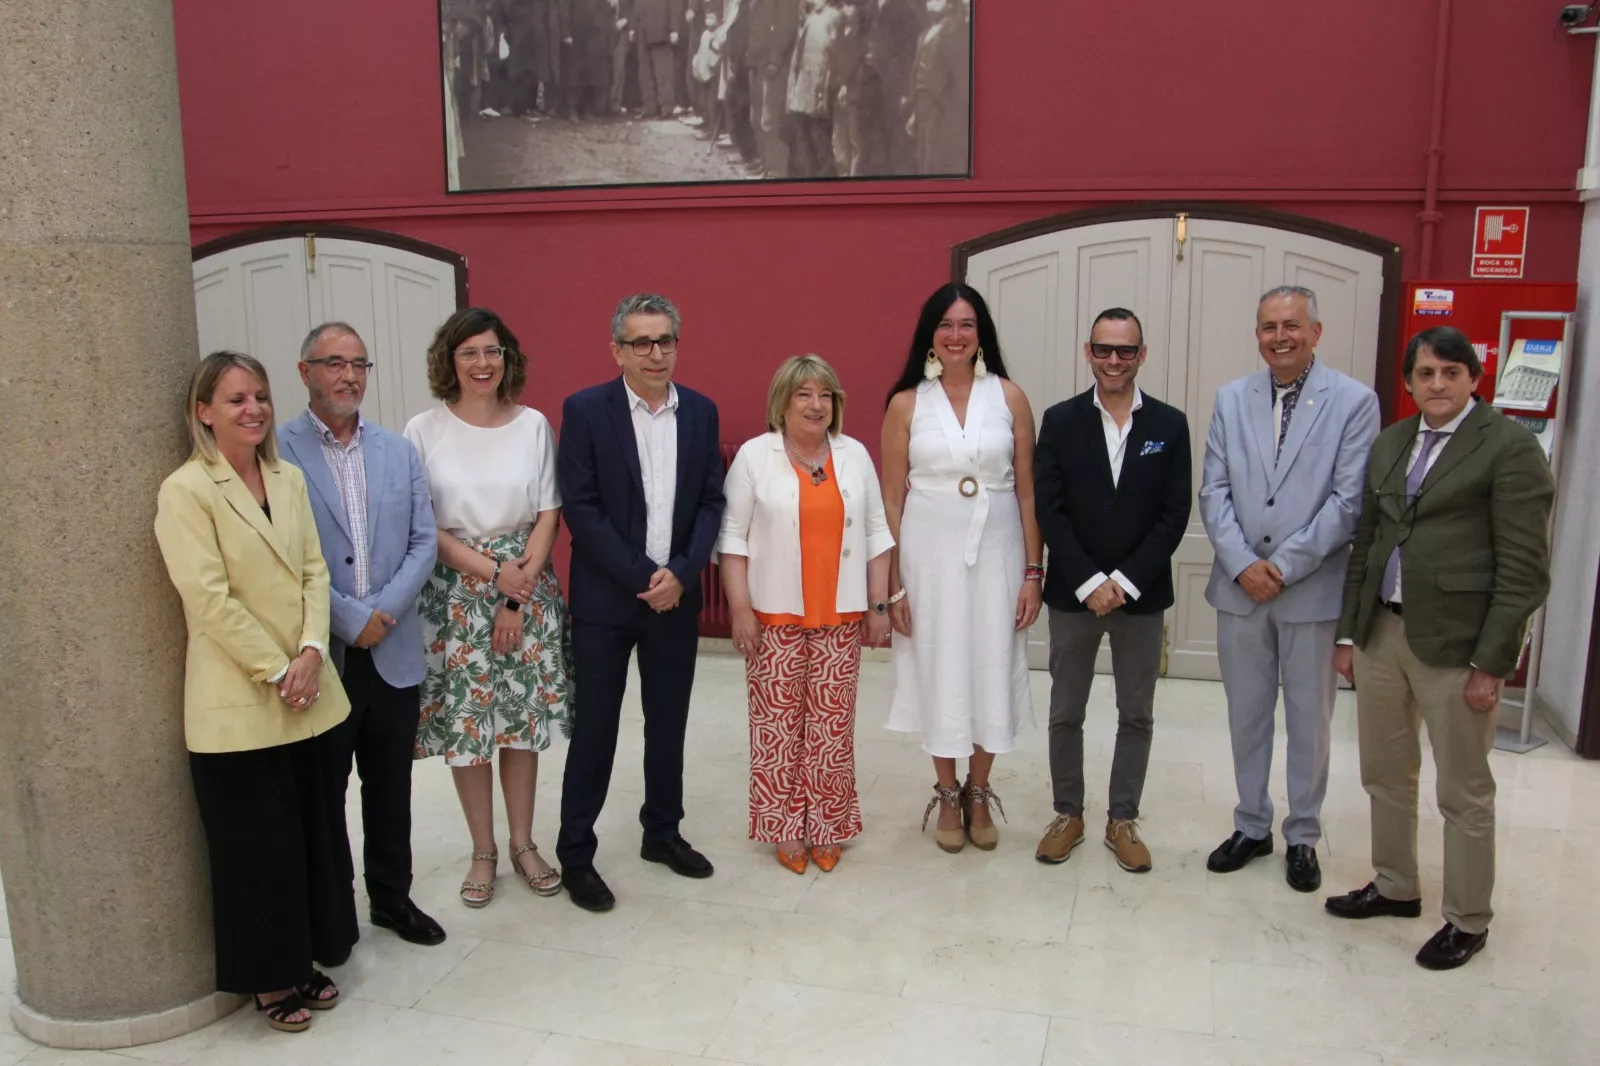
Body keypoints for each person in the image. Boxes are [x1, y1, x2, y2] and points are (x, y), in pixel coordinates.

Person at [1326, 326, 1554, 971]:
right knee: (1384, 774)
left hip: (1458, 646)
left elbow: (1525, 570)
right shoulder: (1393, 441)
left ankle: (1467, 918)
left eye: (1450, 373)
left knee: (1463, 790)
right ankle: (1395, 885)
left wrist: (1493, 662)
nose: (1437, 385)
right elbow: (1367, 543)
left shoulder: (1507, 447)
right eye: (1425, 373)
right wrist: (1349, 633)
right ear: (1408, 381)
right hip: (1382, 635)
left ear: (1473, 378)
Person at [154, 352, 354, 1034]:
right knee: (256, 849)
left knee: (310, 836)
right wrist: (277, 668)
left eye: (261, 397)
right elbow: (207, 599)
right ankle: (271, 977)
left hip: (310, 688)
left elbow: (313, 571)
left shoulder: (288, 478)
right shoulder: (187, 491)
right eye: (236, 399)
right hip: (241, 700)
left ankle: (306, 955)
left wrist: (311, 651)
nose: (253, 410)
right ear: (204, 411)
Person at [1199, 285, 1379, 892]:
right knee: (1246, 716)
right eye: (1269, 326)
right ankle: (1252, 824)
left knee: (1310, 720)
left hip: (1311, 591)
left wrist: (1285, 566)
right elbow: (1214, 492)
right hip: (1240, 589)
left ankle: (1303, 834)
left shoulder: (1354, 402)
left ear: (1315, 332)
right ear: (1258, 334)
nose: (1281, 336)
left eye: (1292, 326)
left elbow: (1349, 501)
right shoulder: (1231, 398)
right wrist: (1245, 563)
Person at [556, 293, 726, 911]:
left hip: (676, 601)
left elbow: (712, 501)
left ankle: (662, 832)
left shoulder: (701, 412)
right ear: (617, 351)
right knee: (596, 729)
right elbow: (582, 508)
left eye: (665, 341)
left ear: (677, 344)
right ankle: (575, 854)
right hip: (607, 601)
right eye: (641, 343)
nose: (655, 353)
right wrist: (644, 576)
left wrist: (680, 574)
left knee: (668, 723)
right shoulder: (585, 411)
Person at [279, 323, 445, 948]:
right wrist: (350, 619)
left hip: (394, 650)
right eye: (333, 363)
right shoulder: (279, 451)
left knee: (390, 787)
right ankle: (331, 917)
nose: (349, 376)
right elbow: (282, 559)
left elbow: (424, 541)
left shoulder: (397, 450)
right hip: (324, 655)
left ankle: (391, 899)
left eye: (358, 363)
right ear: (306, 372)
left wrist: (384, 612)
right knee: (324, 792)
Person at [404, 308, 573, 908]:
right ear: (449, 360)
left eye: (493, 351)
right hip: (455, 593)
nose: (482, 363)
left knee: (521, 725)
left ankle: (525, 842)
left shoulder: (532, 425)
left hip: (525, 592)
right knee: (470, 728)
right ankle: (484, 851)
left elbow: (549, 511)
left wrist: (514, 589)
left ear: (509, 358)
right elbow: (423, 523)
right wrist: (491, 573)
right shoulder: (422, 430)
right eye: (469, 352)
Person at [882, 283, 1042, 852]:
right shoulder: (906, 403)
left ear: (982, 334)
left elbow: (1027, 493)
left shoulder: (1010, 397)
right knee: (942, 665)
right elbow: (891, 501)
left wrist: (1032, 572)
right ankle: (948, 794)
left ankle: (980, 790)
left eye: (967, 324)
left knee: (991, 663)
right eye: (946, 324)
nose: (956, 335)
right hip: (928, 555)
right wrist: (894, 586)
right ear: (931, 333)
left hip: (997, 550)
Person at [719, 356, 893, 874]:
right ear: (782, 402)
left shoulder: (854, 454)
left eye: (826, 395)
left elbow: (877, 533)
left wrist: (879, 605)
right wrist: (740, 608)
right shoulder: (755, 456)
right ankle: (784, 828)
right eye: (804, 395)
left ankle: (828, 826)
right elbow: (731, 538)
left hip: (840, 616)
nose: (817, 405)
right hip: (773, 619)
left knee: (832, 730)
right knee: (777, 731)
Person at [1032, 308, 1192, 873]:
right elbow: (1049, 511)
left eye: (1126, 351)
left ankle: (1122, 818)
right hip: (1074, 594)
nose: (1114, 361)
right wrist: (1088, 580)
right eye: (1104, 350)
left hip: (1140, 597)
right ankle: (1067, 814)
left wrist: (1122, 581)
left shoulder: (1170, 426)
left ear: (1141, 355)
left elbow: (1174, 515)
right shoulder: (1059, 421)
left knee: (1136, 714)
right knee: (1065, 711)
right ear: (1088, 352)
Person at [908, 0, 969, 175]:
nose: (931, 3)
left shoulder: (954, 31)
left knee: (934, 155)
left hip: (940, 102)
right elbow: (916, 68)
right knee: (921, 153)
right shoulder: (924, 34)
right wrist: (914, 111)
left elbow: (956, 73)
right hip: (922, 101)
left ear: (949, 4)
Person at [744, 0, 800, 177]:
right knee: (756, 118)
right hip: (755, 60)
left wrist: (775, 59)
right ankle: (766, 163)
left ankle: (776, 170)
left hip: (772, 65)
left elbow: (786, 26)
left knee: (771, 120)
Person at [786, 0, 841, 179]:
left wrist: (820, 87)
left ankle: (821, 177)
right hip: (805, 82)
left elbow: (828, 55)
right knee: (806, 131)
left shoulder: (831, 18)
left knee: (818, 134)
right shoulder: (812, 18)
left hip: (819, 85)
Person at [633, 0, 685, 118]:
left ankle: (666, 107)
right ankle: (649, 106)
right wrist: (633, 26)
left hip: (661, 26)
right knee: (644, 71)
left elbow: (675, 4)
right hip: (641, 28)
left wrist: (674, 28)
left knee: (663, 71)